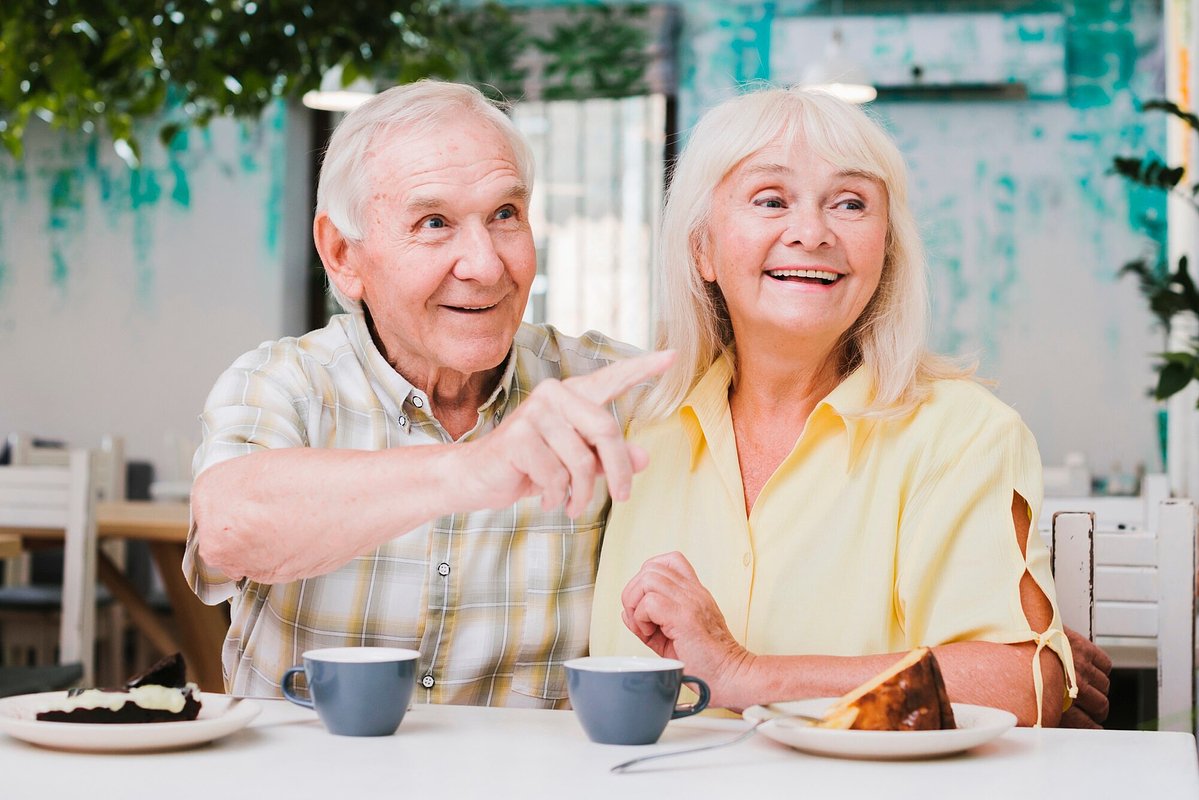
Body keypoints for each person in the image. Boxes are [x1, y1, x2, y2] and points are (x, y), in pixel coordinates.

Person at [589, 86, 1083, 727]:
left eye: (850, 204)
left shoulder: (962, 435)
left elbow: (1022, 687)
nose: (812, 232)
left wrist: (748, 674)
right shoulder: (636, 427)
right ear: (702, 249)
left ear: (886, 249)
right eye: (771, 200)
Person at [183, 80, 672, 704]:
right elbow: (229, 528)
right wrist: (473, 468)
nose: (487, 265)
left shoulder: (609, 390)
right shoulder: (284, 382)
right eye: (434, 222)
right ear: (342, 255)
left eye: (505, 216)